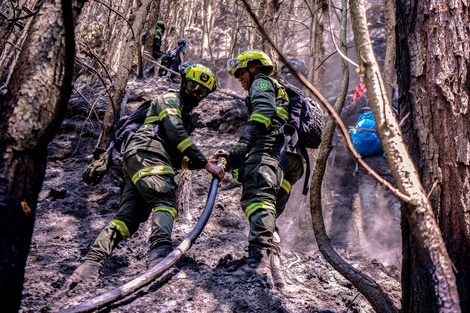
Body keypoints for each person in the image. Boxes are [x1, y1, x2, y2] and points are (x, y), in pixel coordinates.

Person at [69, 64, 225, 284]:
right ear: (183, 82)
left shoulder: (184, 115)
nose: (194, 93)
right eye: (191, 86)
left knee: (128, 220)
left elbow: (175, 158)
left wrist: (202, 164)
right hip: (147, 152)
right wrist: (206, 164)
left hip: (141, 162)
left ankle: (90, 264)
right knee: (166, 200)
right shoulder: (170, 99)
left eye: (201, 92)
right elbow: (173, 130)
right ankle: (159, 255)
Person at [226, 49, 304, 288]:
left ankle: (257, 265)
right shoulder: (278, 88)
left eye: (242, 72)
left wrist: (243, 142)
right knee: (269, 211)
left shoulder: (261, 82)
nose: (240, 78)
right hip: (290, 159)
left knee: (258, 200)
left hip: (270, 149)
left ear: (254, 67)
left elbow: (264, 112)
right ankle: (274, 268)